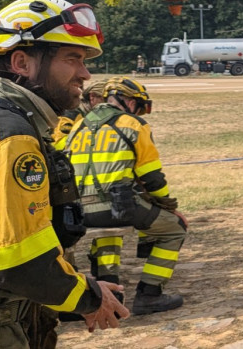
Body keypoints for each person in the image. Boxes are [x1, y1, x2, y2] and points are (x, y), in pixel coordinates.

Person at [0, 0, 128, 348]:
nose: (85, 74)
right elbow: (18, 259)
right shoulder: (7, 138)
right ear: (21, 62)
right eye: (72, 58)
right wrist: (90, 298)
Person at [57, 77, 187, 315]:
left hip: (79, 213)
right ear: (127, 100)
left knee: (108, 233)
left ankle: (112, 295)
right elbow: (152, 177)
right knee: (174, 229)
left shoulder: (78, 126)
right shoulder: (133, 124)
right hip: (118, 208)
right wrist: (168, 206)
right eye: (138, 105)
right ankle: (150, 294)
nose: (139, 111)